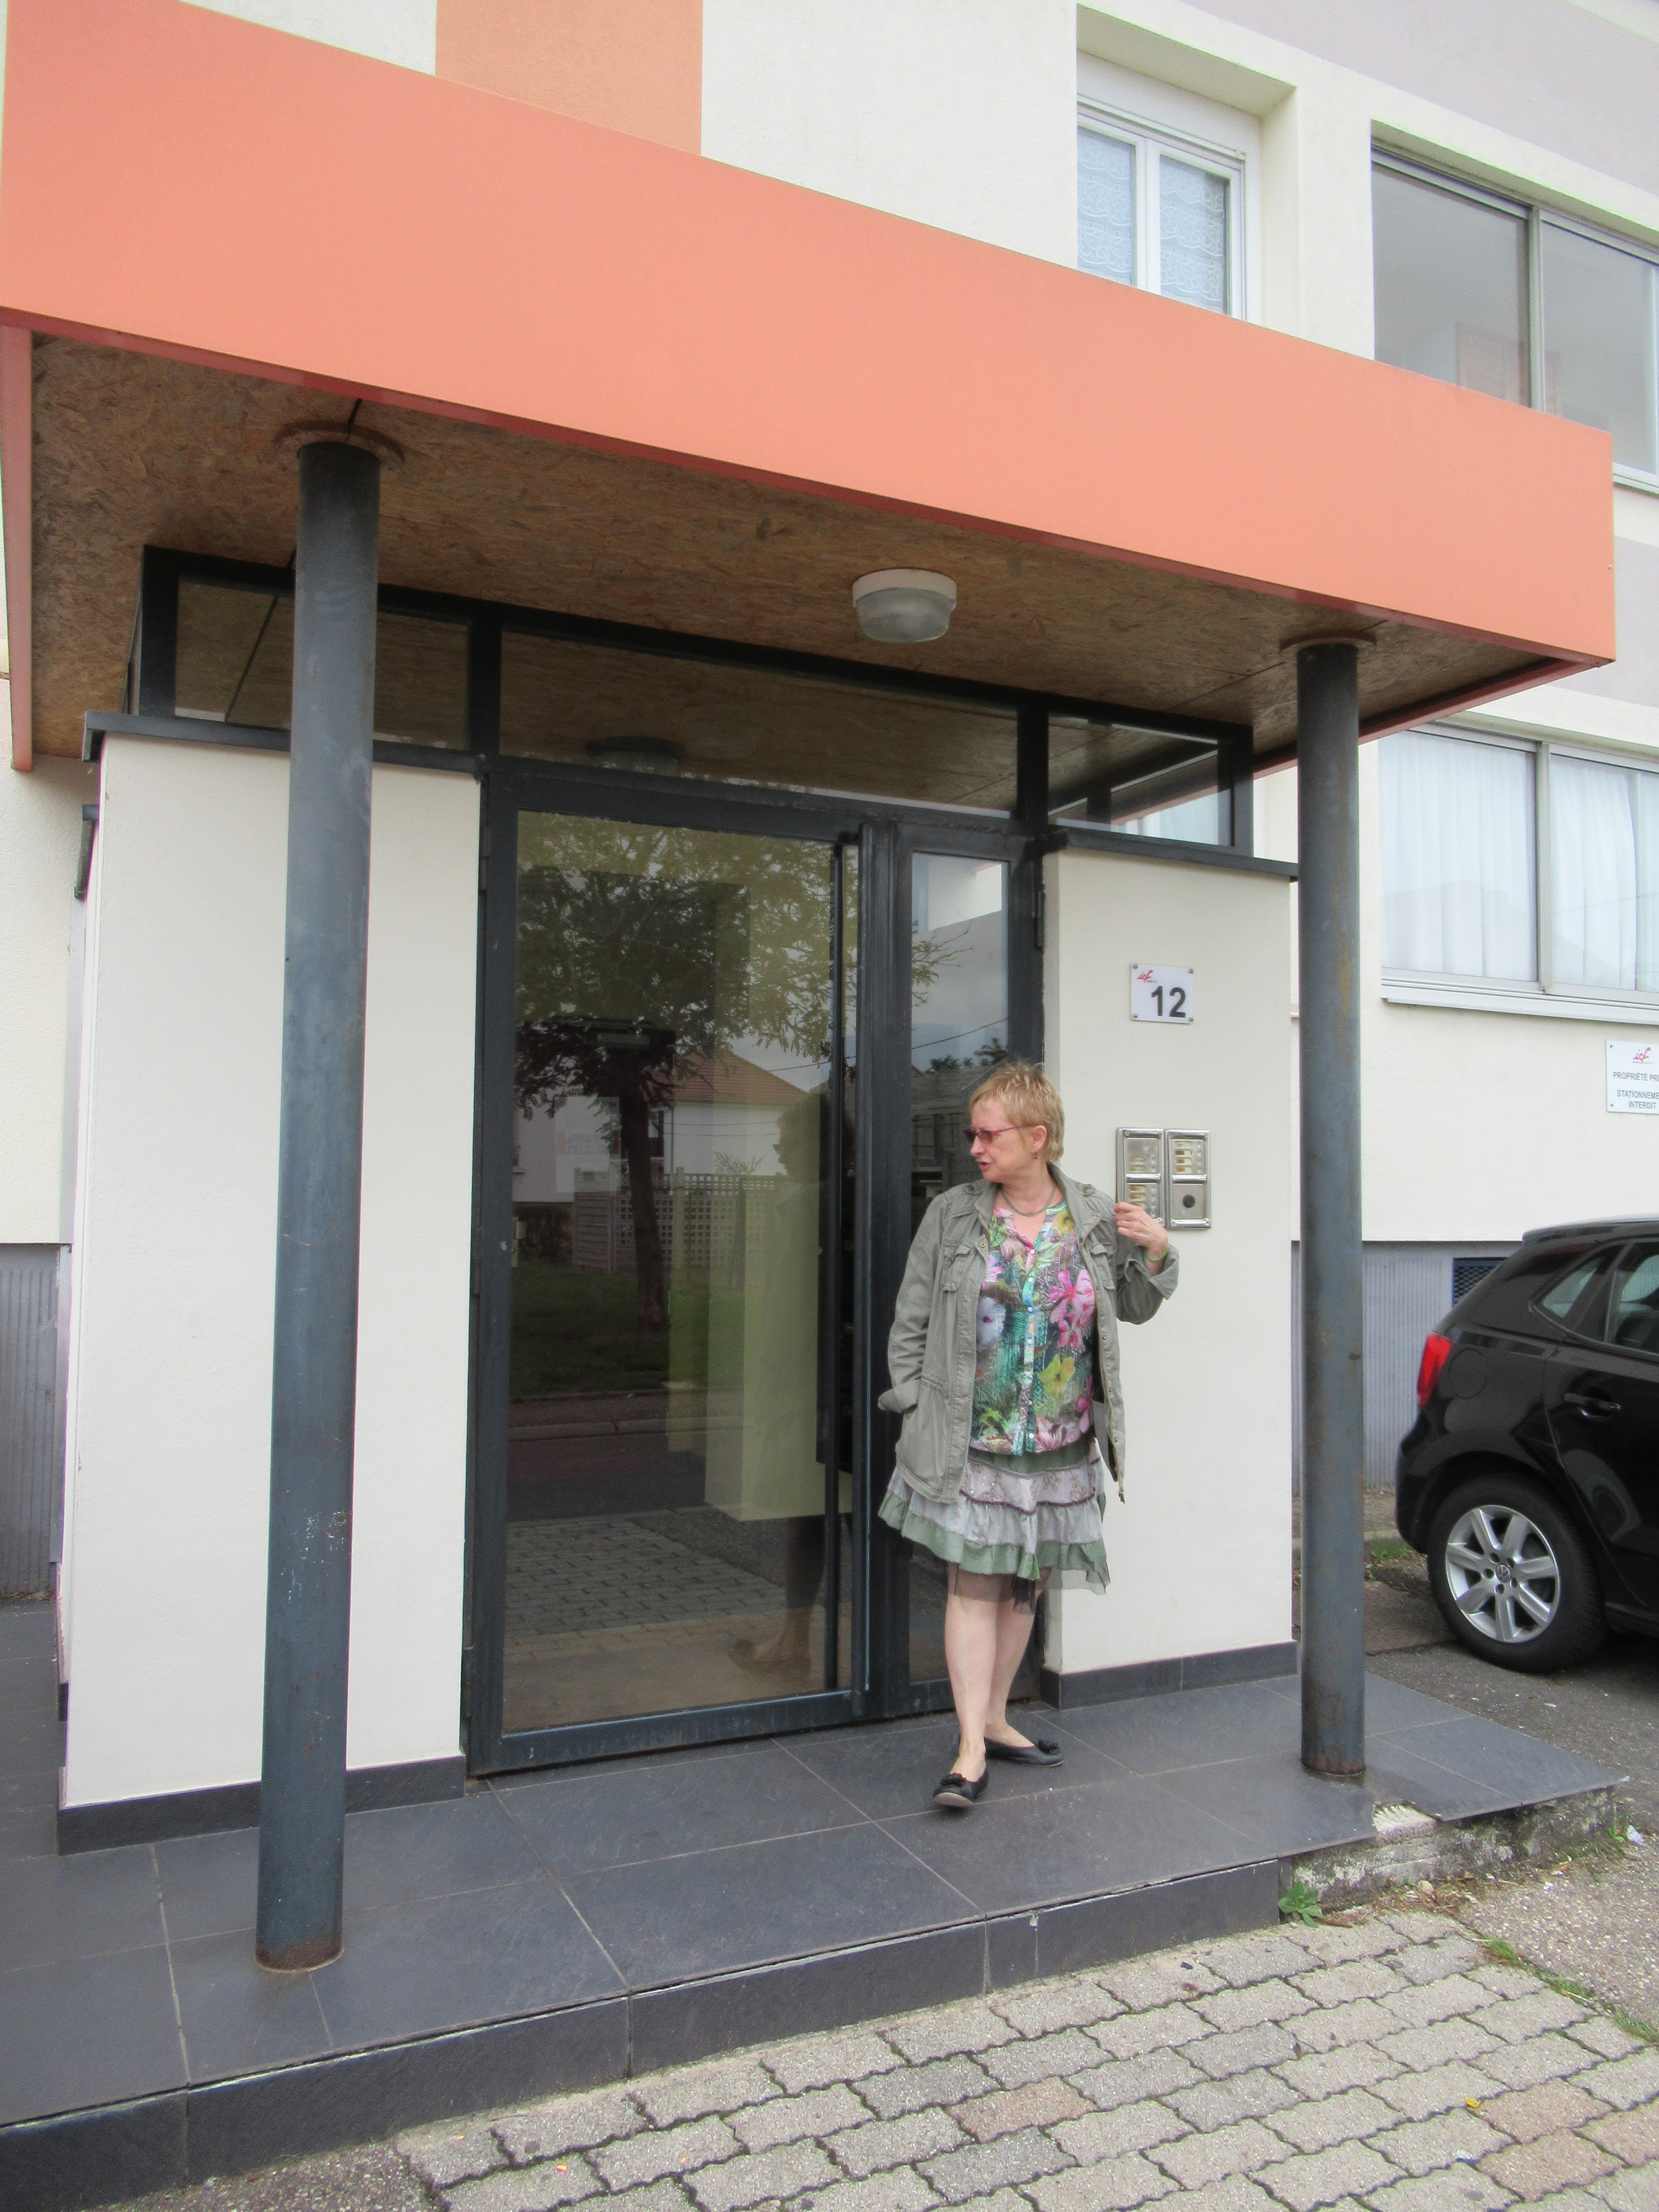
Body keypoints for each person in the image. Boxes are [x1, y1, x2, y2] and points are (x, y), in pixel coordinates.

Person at [878, 1063, 1177, 1809]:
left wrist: (1158, 1254)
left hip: (1060, 1444)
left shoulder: (1095, 1217)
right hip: (973, 1440)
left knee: (1024, 1588)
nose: (974, 1147)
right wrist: (912, 1402)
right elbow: (912, 1316)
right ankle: (970, 1750)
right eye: (973, 1134)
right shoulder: (953, 1216)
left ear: (1037, 1137)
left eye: (988, 1135)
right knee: (973, 1584)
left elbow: (1133, 1307)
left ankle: (996, 1718)